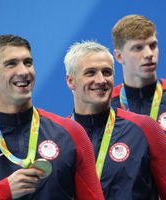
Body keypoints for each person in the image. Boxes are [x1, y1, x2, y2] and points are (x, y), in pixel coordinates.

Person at [0, 34, 104, 200]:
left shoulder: (71, 133)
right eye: (11, 64)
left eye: (28, 63)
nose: (24, 71)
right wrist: (1, 192)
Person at [64, 40, 166, 199]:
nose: (101, 80)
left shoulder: (145, 129)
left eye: (106, 72)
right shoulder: (59, 136)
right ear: (70, 81)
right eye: (90, 73)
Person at [111, 14, 166, 131]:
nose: (149, 54)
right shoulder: (107, 106)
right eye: (138, 48)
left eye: (153, 45)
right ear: (119, 56)